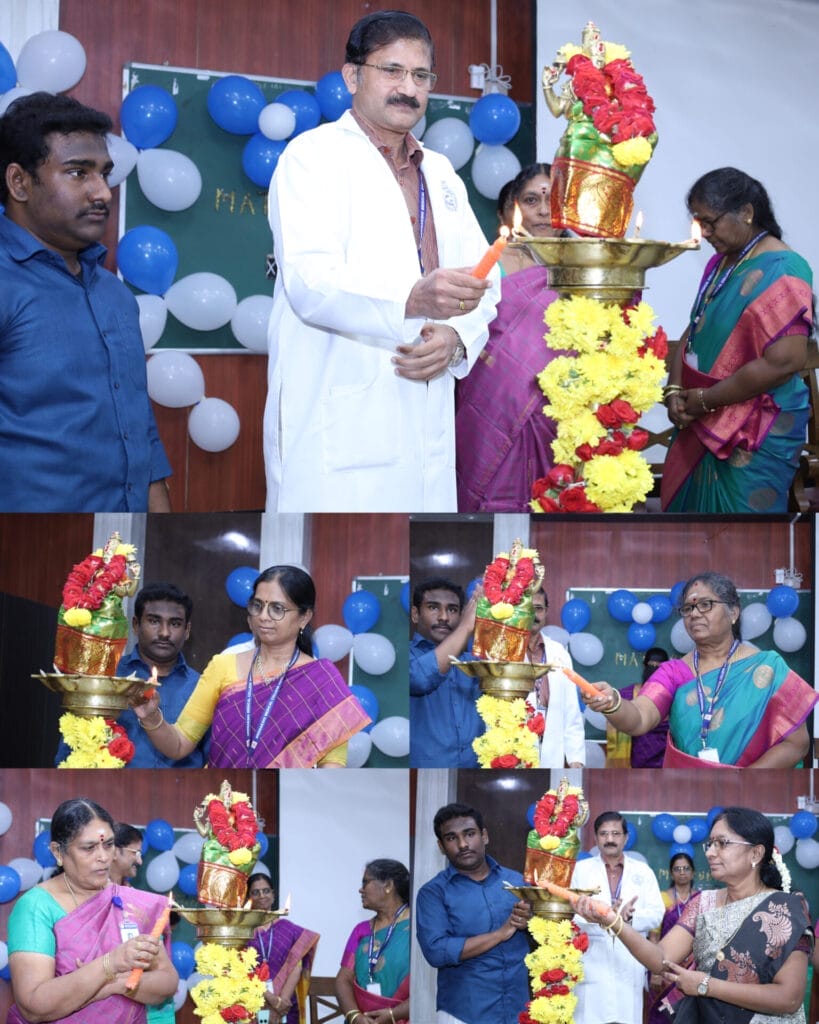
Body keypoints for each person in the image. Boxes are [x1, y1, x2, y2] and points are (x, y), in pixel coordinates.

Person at [264, 10, 499, 513]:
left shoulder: (440, 172)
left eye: (421, 75)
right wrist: (412, 299)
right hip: (337, 418)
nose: (408, 89)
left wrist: (457, 338)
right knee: (339, 533)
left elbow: (486, 278)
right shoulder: (312, 158)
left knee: (424, 531)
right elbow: (311, 283)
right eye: (392, 71)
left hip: (428, 414)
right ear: (352, 76)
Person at [0, 92, 171, 512]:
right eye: (78, 173)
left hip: (122, 535)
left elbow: (139, 430)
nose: (103, 193)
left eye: (104, 174)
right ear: (19, 183)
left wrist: (161, 527)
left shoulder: (114, 294)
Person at [661, 167, 813, 513]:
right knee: (691, 529)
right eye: (699, 222)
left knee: (740, 531)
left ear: (746, 212)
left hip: (755, 426)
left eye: (710, 222)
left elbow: (785, 362)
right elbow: (696, 325)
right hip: (701, 414)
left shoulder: (784, 269)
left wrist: (706, 400)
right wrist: (674, 391)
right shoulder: (722, 263)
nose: (704, 232)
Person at [575, 807, 813, 1024]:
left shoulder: (785, 908)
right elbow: (660, 959)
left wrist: (706, 985)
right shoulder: (703, 903)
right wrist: (613, 921)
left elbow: (789, 998)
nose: (710, 852)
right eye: (710, 844)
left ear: (756, 853)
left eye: (722, 843)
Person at [132, 565, 371, 767]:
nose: (263, 616)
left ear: (304, 617)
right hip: (223, 795)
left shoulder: (321, 680)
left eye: (277, 609)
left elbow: (332, 768)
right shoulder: (223, 666)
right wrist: (151, 717)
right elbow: (179, 744)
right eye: (258, 606)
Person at [586, 572, 817, 768]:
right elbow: (639, 718)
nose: (694, 614)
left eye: (706, 605)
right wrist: (613, 703)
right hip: (690, 787)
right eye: (688, 608)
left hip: (753, 789)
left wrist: (741, 782)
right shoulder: (674, 672)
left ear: (733, 613)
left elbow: (796, 744)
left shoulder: (767, 667)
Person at [6, 797, 177, 1024]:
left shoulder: (130, 902)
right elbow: (34, 1006)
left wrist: (113, 983)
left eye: (109, 845)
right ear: (58, 852)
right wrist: (110, 964)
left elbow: (168, 981)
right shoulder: (37, 906)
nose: (104, 857)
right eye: (89, 848)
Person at [455, 163, 561, 511]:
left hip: (563, 411)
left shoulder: (589, 267)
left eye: (554, 201)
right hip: (491, 400)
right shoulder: (488, 260)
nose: (543, 210)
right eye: (532, 200)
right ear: (514, 208)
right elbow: (462, 324)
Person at [55, 582, 208, 769]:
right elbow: (71, 751)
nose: (164, 633)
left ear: (187, 631)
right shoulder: (105, 678)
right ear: (136, 625)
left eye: (175, 624)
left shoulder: (202, 686)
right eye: (154, 621)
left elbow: (215, 758)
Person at [416, 803, 531, 1024]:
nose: (462, 844)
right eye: (451, 838)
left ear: (484, 836)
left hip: (519, 1010)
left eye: (469, 834)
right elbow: (436, 951)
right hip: (464, 1013)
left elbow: (544, 936)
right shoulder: (433, 892)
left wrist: (530, 923)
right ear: (441, 846)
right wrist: (499, 934)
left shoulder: (516, 881)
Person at [570, 811, 664, 1024]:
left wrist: (627, 920)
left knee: (626, 1017)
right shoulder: (580, 870)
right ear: (596, 838)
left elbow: (656, 913)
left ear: (626, 837)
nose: (610, 839)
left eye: (615, 833)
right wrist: (600, 918)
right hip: (591, 959)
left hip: (629, 961)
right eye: (604, 834)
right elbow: (570, 915)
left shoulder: (643, 871)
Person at [409, 578, 483, 767]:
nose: (444, 617)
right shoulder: (404, 655)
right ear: (415, 614)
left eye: (452, 610)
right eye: (433, 607)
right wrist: (465, 627)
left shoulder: (474, 663)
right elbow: (420, 679)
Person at [336, 859, 410, 1024]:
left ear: (388, 885)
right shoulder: (361, 930)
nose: (360, 890)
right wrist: (355, 1016)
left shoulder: (418, 927)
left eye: (366, 882)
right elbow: (343, 979)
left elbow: (429, 987)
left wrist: (393, 1014)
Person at [246, 873, 319, 1024]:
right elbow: (241, 970)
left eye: (266, 891)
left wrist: (281, 1001)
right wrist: (271, 999)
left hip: (285, 1006)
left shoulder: (288, 929)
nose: (262, 895)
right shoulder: (242, 931)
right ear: (249, 897)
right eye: (256, 892)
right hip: (252, 1002)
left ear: (273, 894)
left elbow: (296, 966)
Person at [524, 588, 585, 768]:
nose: (533, 615)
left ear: (546, 612)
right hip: (514, 746)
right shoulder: (505, 652)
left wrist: (576, 759)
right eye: (527, 609)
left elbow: (571, 710)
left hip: (551, 746)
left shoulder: (560, 652)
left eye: (538, 608)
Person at [647, 852, 701, 1024]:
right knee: (661, 1015)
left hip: (693, 969)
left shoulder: (701, 899)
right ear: (671, 873)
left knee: (688, 1015)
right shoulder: (662, 898)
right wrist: (656, 972)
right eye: (677, 869)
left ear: (693, 872)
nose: (682, 872)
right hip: (665, 967)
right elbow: (654, 936)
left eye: (686, 868)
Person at [607, 647, 670, 768]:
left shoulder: (676, 697)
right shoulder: (627, 695)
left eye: (659, 666)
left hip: (667, 765)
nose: (654, 669)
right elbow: (616, 718)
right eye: (651, 665)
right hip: (634, 765)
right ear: (644, 665)